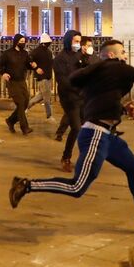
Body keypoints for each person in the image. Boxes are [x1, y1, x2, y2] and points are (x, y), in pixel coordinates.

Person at [9, 40, 134, 234]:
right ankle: (27, 185)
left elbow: (100, 100)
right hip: (96, 134)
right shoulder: (116, 67)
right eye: (123, 51)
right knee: (77, 187)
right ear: (111, 55)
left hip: (107, 135)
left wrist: (122, 109)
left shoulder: (100, 74)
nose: (126, 55)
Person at [53, 30, 91, 172]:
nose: (78, 44)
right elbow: (63, 81)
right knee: (76, 127)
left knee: (86, 127)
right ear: (69, 41)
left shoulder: (79, 55)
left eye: (79, 42)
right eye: (75, 41)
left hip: (82, 96)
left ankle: (85, 156)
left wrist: (86, 58)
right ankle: (66, 157)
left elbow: (87, 71)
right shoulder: (60, 59)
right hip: (69, 98)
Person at [0, 33, 33, 134]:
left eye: (24, 42)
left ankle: (11, 120)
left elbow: (28, 64)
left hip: (22, 81)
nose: (23, 43)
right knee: (20, 102)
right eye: (21, 42)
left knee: (26, 102)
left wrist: (33, 65)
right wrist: (3, 73)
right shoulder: (8, 53)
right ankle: (24, 127)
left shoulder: (25, 53)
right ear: (16, 42)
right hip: (12, 82)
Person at [27, 33, 56, 122]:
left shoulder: (48, 52)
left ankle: (26, 107)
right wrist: (36, 68)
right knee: (47, 97)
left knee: (42, 95)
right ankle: (49, 115)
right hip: (42, 77)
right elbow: (29, 60)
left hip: (48, 77)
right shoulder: (36, 51)